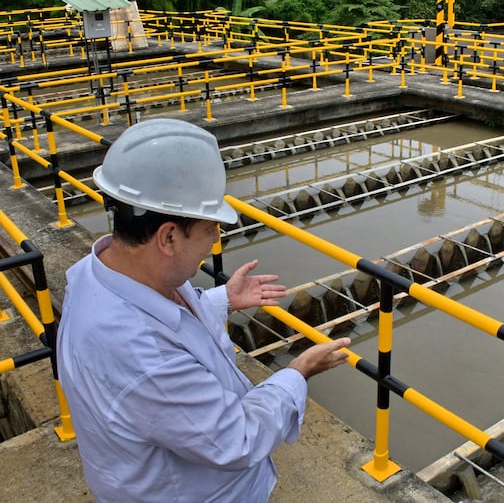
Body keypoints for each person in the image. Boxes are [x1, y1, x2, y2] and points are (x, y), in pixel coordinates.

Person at [57, 118, 350, 503]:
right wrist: (298, 373)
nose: (215, 240)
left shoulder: (104, 273)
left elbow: (167, 322)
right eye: (210, 228)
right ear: (168, 236)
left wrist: (221, 298)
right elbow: (236, 439)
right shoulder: (141, 354)